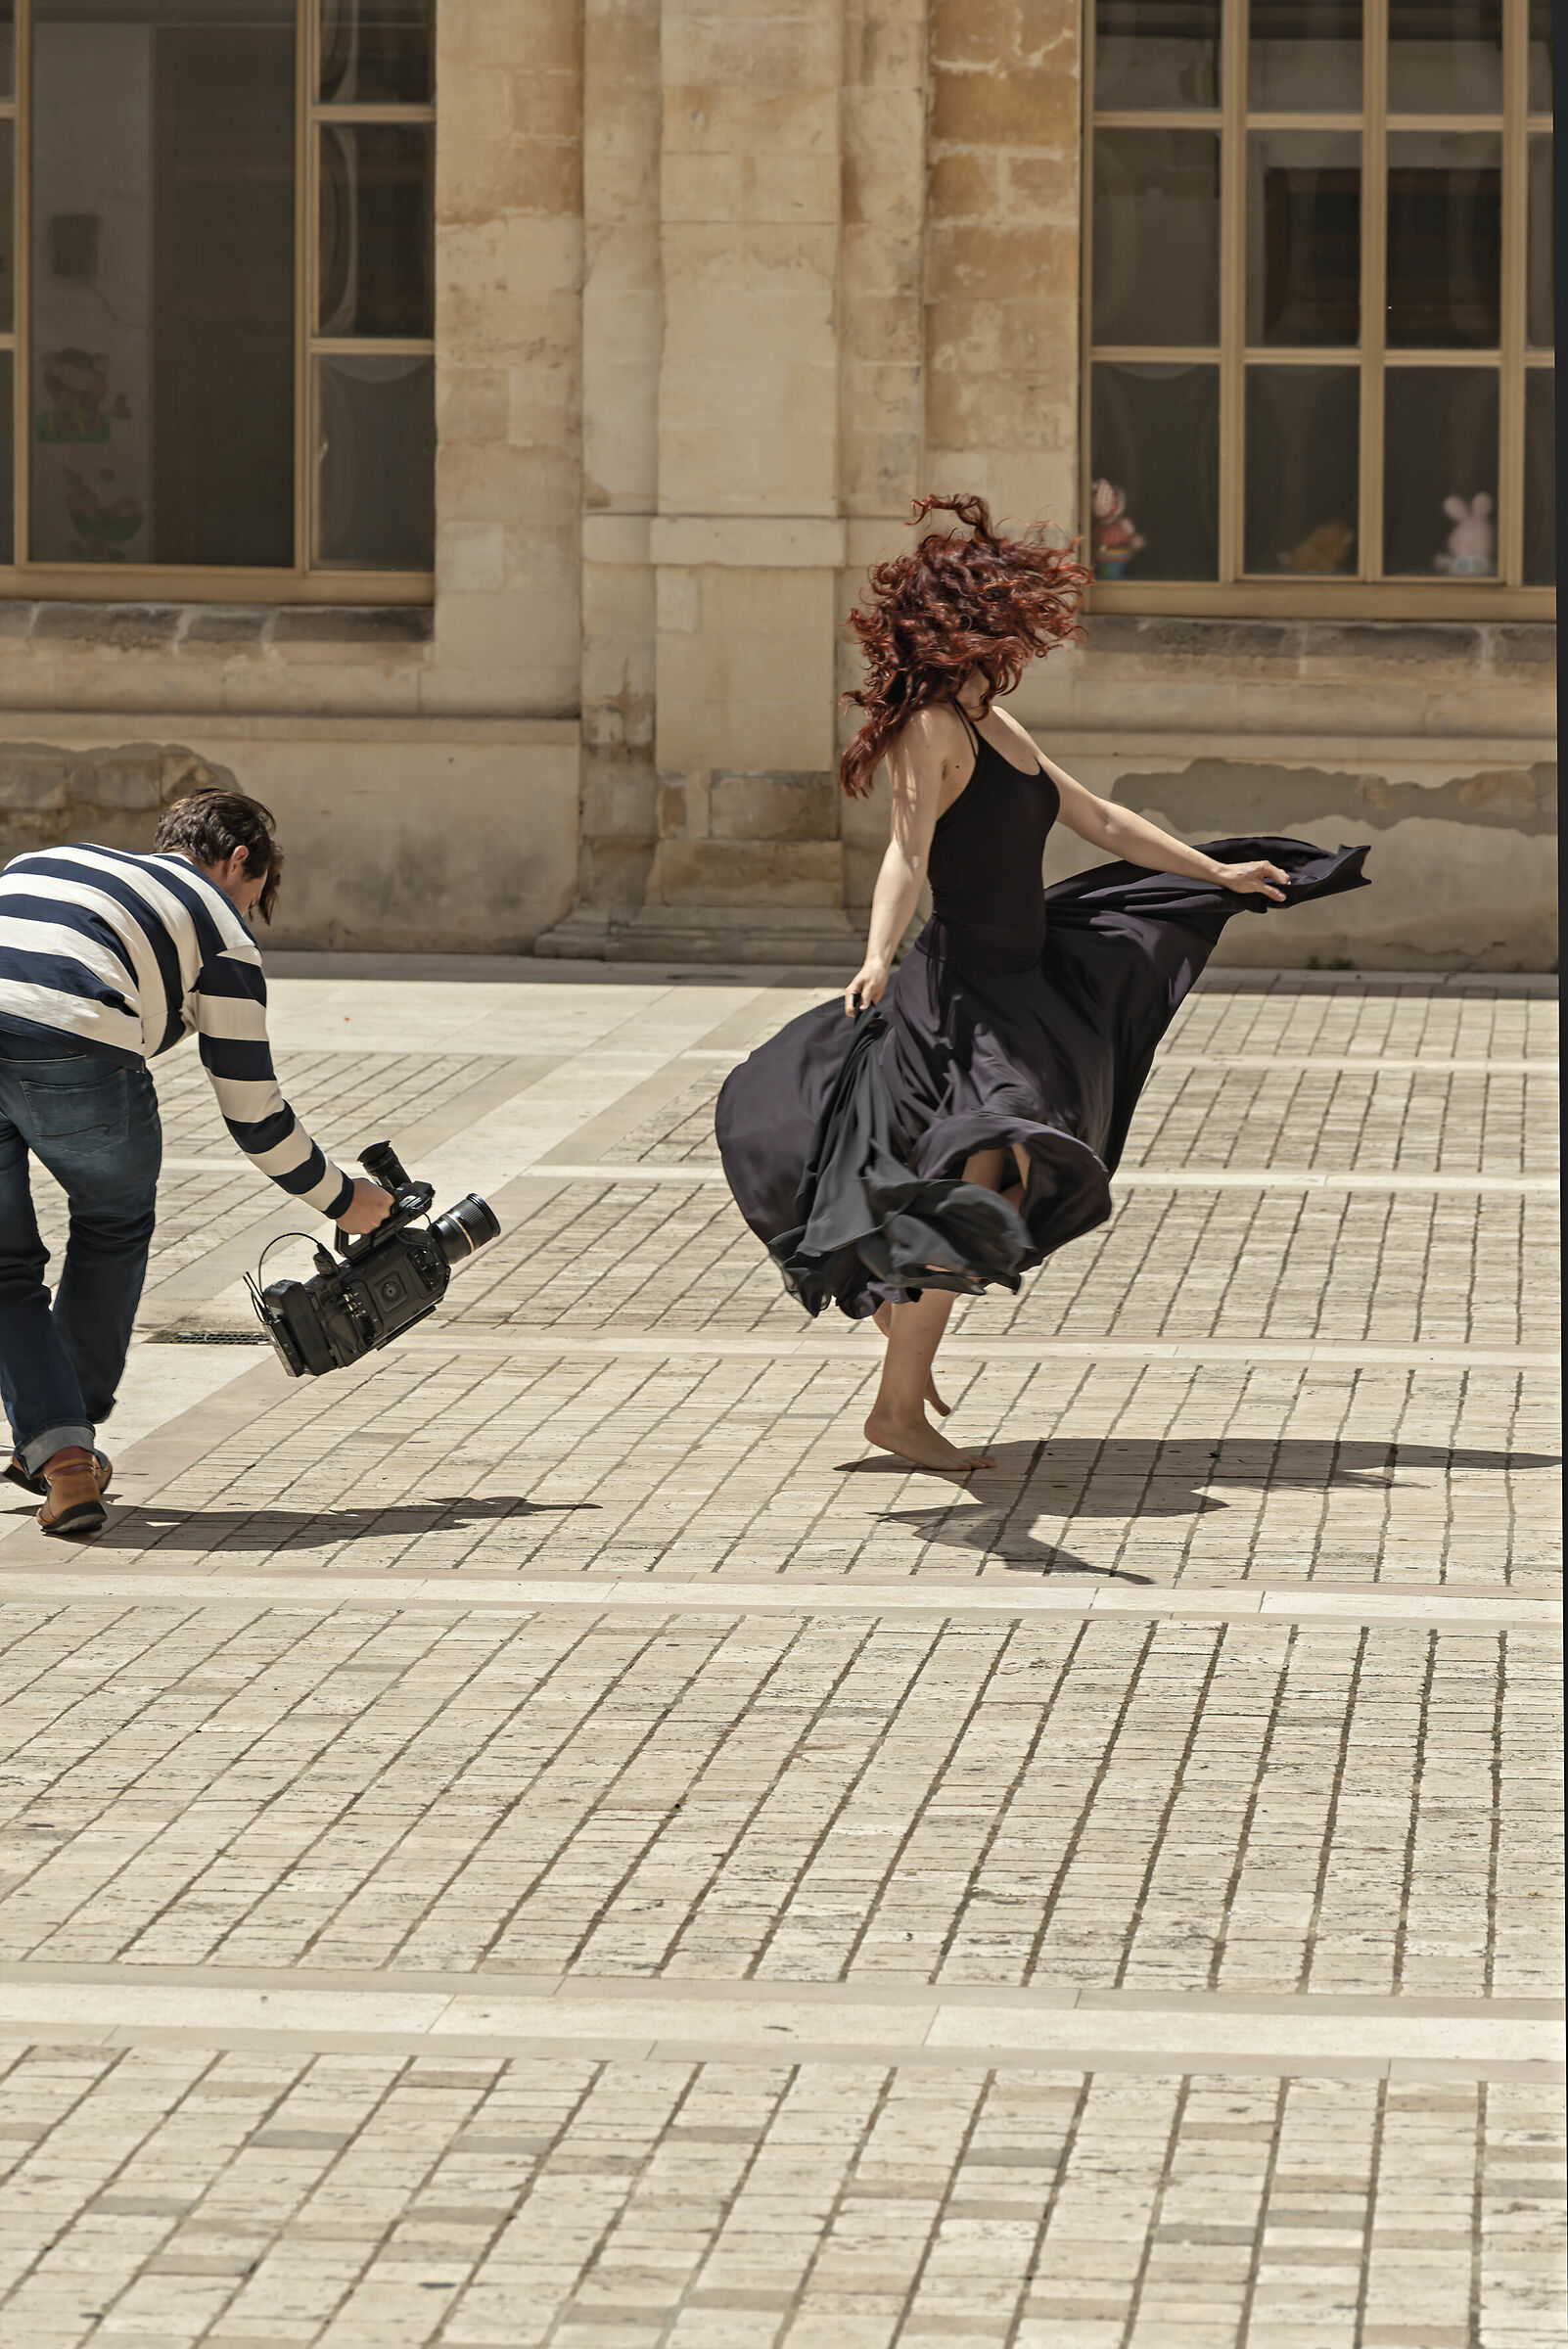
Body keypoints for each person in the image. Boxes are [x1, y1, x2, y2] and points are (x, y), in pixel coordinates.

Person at [715, 494, 1368, 1472]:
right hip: (963, 995)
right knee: (984, 1170)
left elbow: (1098, 818)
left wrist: (1216, 872)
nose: (1024, 638)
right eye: (1007, 618)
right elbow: (905, 853)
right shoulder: (930, 728)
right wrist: (877, 954)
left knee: (988, 1182)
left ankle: (906, 1348)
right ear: (968, 622)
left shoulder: (995, 719)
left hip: (1028, 983)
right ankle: (899, 1398)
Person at [0, 789, 392, 1539]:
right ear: (239, 860)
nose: (247, 915)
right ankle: (69, 1454)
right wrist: (347, 1202)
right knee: (112, 1224)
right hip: (78, 1046)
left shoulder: (52, 860)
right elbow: (254, 1115)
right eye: (253, 898)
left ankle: (53, 1451)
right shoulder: (219, 927)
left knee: (2, 1267)